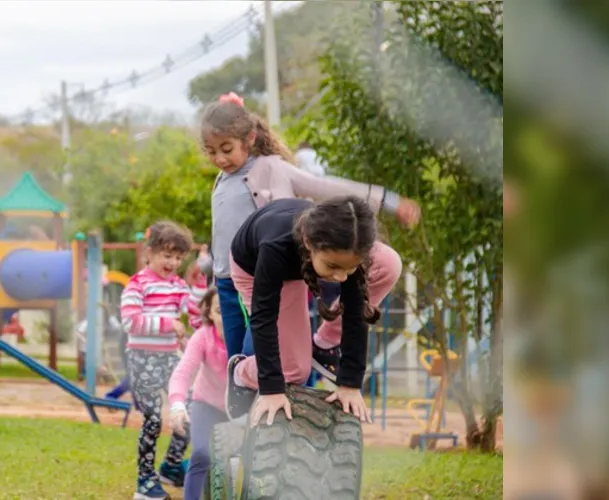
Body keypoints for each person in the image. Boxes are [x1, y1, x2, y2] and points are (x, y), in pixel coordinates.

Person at [194, 91, 420, 367]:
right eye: (211, 152)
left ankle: (325, 342)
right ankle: (244, 406)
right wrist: (210, 270)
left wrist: (389, 201)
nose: (219, 159)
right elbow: (225, 234)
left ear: (249, 138)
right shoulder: (223, 179)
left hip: (269, 279)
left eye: (226, 149)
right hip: (229, 284)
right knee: (237, 365)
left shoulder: (272, 168)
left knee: (262, 356)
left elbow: (327, 188)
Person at [223, 196, 403, 426]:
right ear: (309, 244)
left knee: (387, 262)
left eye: (350, 268)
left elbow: (356, 313)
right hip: (254, 267)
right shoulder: (275, 246)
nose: (341, 277)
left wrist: (349, 383)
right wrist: (271, 389)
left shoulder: (348, 252)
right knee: (293, 370)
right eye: (333, 267)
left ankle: (325, 345)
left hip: (305, 258)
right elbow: (263, 317)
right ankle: (240, 373)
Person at [120, 221, 194, 500]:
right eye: (167, 255)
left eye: (178, 257)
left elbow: (188, 319)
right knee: (152, 419)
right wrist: (166, 324)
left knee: (186, 412)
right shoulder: (137, 284)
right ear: (149, 253)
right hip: (142, 359)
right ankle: (145, 480)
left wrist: (189, 338)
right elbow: (131, 321)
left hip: (170, 360)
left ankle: (171, 467)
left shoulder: (179, 286)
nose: (173, 262)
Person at [167, 287, 228, 500]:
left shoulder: (250, 338)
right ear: (210, 313)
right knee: (201, 454)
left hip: (243, 407)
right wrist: (177, 404)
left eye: (231, 310)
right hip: (207, 404)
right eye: (220, 311)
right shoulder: (203, 337)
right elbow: (183, 372)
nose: (226, 317)